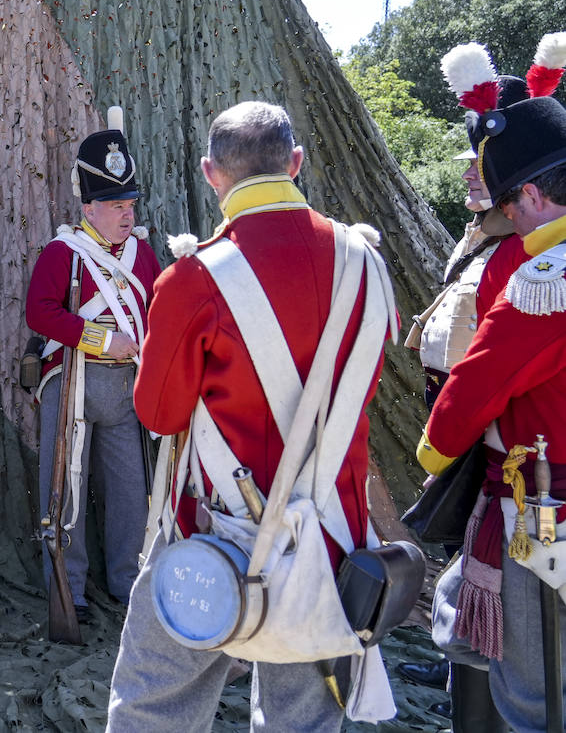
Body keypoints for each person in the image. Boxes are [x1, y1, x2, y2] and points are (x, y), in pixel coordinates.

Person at [106, 101, 394, 730]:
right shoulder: (364, 262)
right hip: (332, 540)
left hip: (215, 533)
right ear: (295, 163)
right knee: (307, 721)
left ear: (212, 173)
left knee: (153, 702)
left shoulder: (191, 278)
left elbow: (157, 414)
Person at [418, 34, 566, 733]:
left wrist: (434, 457)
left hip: (544, 509)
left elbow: (468, 397)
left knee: (535, 698)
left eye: (512, 196)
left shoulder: (545, 283)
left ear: (532, 193)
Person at [398, 67, 536, 726]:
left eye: (482, 163)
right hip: (471, 430)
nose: (468, 175)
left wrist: (444, 440)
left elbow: (491, 360)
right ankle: (462, 676)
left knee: (513, 609)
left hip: (503, 448)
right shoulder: (489, 234)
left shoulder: (525, 257)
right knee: (474, 583)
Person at [24, 109, 160, 619]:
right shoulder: (64, 253)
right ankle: (68, 587)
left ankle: (128, 583)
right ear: (90, 207)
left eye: (129, 203)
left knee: (129, 492)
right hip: (72, 383)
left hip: (127, 389)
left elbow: (157, 309)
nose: (126, 214)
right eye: (116, 205)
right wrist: (102, 341)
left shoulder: (142, 255)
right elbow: (41, 313)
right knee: (67, 490)